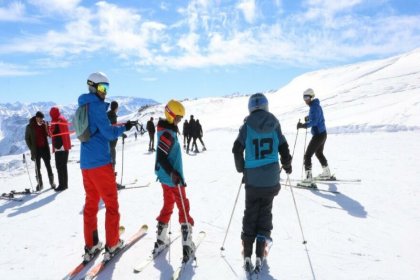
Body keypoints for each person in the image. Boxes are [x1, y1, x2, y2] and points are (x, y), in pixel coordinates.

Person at [78, 72, 136, 263]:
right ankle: (112, 244)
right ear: (93, 87)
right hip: (100, 164)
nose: (105, 92)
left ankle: (92, 244)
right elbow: (109, 133)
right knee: (111, 204)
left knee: (91, 204)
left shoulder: (84, 106)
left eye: (107, 89)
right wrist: (124, 128)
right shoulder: (95, 107)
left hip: (86, 164)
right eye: (102, 88)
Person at [232, 93, 292, 273]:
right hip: (271, 179)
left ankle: (247, 252)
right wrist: (287, 165)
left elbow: (236, 149)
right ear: (266, 106)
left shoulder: (247, 125)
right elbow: (283, 146)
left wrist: (242, 169)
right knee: (265, 213)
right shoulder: (274, 122)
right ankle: (261, 251)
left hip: (253, 179)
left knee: (251, 213)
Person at [153, 100, 195, 262]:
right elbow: (162, 156)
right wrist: (173, 173)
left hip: (165, 177)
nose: (179, 121)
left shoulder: (166, 130)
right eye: (178, 118)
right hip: (172, 178)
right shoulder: (167, 134)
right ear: (170, 115)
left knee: (168, 204)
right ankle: (187, 245)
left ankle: (161, 240)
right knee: (183, 207)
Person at [297, 88, 331, 186]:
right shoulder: (315, 105)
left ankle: (308, 179)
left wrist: (303, 125)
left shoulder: (314, 107)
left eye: (307, 97)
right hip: (323, 134)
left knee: (307, 156)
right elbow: (316, 118)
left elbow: (314, 121)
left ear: (311, 97)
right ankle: (327, 173)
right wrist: (309, 118)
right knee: (319, 153)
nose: (305, 99)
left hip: (318, 135)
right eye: (304, 97)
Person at [25, 111, 56, 191]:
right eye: (40, 118)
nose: (41, 120)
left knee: (48, 166)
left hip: (45, 149)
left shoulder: (44, 125)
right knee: (37, 168)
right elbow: (27, 138)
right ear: (36, 118)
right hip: (36, 150)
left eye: (42, 118)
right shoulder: (30, 126)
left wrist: (47, 128)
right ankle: (40, 184)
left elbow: (49, 135)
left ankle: (52, 182)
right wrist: (31, 148)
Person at [49, 107, 71, 192]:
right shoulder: (63, 119)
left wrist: (49, 127)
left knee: (59, 166)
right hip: (65, 146)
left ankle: (61, 185)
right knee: (64, 166)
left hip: (59, 147)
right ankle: (65, 184)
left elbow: (52, 133)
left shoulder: (56, 121)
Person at [107, 101, 125, 190]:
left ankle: (106, 183)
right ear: (116, 108)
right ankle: (112, 183)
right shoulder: (112, 116)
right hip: (111, 144)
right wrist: (121, 133)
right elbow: (113, 129)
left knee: (108, 164)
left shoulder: (107, 115)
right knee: (112, 163)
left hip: (106, 144)